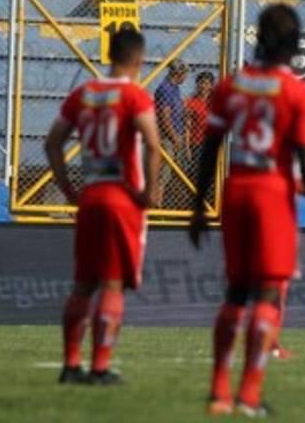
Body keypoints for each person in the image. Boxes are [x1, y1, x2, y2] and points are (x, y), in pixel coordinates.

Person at [189, 4, 305, 416]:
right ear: (293, 44)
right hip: (272, 192)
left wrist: (199, 207)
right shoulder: (297, 92)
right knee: (269, 292)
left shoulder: (233, 86)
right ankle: (249, 396)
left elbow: (210, 148)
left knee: (236, 290)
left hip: (236, 189)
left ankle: (219, 393)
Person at [46, 28, 164, 386]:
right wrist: (150, 192)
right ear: (139, 60)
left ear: (110, 54)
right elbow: (154, 145)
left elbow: (53, 143)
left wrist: (68, 189)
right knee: (112, 285)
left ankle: (70, 365)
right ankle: (100, 367)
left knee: (83, 283)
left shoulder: (84, 93)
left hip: (92, 195)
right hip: (121, 197)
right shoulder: (135, 96)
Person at [155, 60, 189, 160]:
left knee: (175, 173)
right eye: (185, 73)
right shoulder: (165, 89)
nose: (186, 77)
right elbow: (164, 117)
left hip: (176, 136)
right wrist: (174, 138)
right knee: (166, 173)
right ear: (178, 73)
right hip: (168, 138)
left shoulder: (175, 88)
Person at [183, 71, 215, 163]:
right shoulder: (190, 102)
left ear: (211, 86)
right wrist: (187, 147)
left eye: (206, 83)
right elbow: (187, 127)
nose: (203, 86)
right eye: (201, 83)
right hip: (196, 143)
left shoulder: (215, 102)